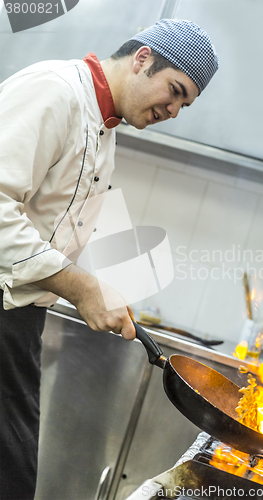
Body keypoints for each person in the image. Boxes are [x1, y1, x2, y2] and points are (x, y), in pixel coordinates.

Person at [0, 18, 218, 500]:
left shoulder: (105, 130)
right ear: (142, 59)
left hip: (19, 321)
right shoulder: (55, 92)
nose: (175, 110)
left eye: (185, 103)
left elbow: (51, 231)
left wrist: (96, 287)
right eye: (175, 90)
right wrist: (81, 288)